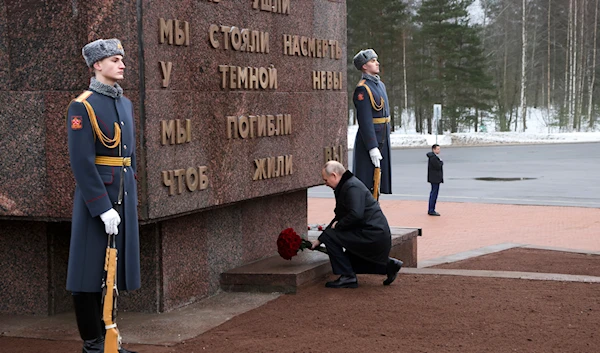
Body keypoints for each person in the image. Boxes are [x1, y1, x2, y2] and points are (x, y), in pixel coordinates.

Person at [66, 38, 140, 353]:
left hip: (123, 195)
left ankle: (111, 340)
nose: (121, 64)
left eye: (122, 59)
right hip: (96, 200)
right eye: (114, 59)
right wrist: (101, 206)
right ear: (97, 65)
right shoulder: (82, 105)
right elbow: (81, 162)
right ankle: (94, 345)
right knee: (87, 274)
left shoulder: (125, 104)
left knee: (112, 272)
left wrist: (131, 188)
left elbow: (129, 156)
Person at [310, 161, 403, 288]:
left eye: (326, 180)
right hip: (372, 233)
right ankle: (389, 266)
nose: (325, 184)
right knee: (346, 258)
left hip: (373, 235)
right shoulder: (347, 186)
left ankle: (348, 277)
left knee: (333, 239)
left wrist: (337, 227)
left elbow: (355, 215)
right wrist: (320, 240)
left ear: (334, 175)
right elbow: (341, 216)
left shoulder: (351, 187)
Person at [351, 49, 392, 195]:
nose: (377, 63)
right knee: (367, 184)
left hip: (382, 137)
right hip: (370, 140)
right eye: (373, 61)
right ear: (364, 66)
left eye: (376, 60)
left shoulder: (380, 85)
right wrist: (372, 147)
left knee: (378, 183)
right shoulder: (363, 88)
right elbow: (365, 121)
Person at [427, 144, 444, 216]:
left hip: (434, 178)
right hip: (435, 179)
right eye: (437, 149)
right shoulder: (433, 158)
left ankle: (431, 209)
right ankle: (431, 210)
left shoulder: (433, 157)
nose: (439, 150)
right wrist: (441, 162)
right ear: (433, 149)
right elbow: (438, 166)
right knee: (434, 193)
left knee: (433, 193)